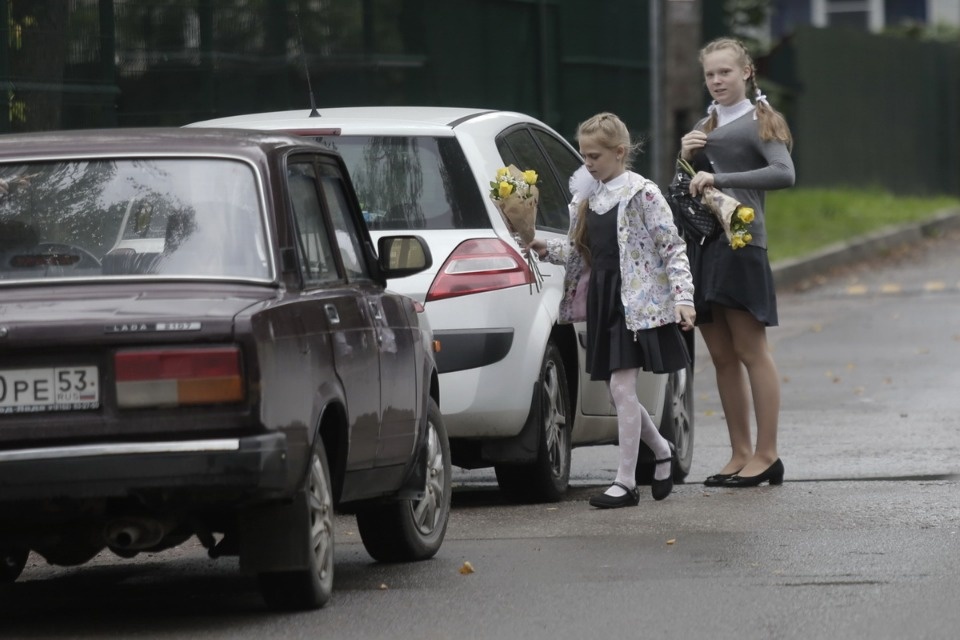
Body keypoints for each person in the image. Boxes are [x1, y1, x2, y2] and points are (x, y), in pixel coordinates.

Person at [528, 112, 696, 509]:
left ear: (620, 153)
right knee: (615, 389)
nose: (587, 163)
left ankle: (625, 482)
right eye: (584, 155)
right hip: (603, 298)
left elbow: (671, 247)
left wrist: (683, 297)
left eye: (595, 156)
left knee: (621, 388)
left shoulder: (643, 193)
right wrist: (544, 246)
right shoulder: (589, 197)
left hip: (634, 301)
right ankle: (663, 451)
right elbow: (582, 251)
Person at [679, 37, 795, 488]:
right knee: (723, 357)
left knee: (751, 351)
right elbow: (684, 189)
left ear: (746, 72)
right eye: (710, 74)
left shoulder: (760, 120)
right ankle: (739, 452)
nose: (716, 81)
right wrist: (686, 158)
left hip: (742, 243)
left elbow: (784, 173)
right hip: (704, 245)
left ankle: (767, 454)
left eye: (725, 72)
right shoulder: (703, 124)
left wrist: (720, 175)